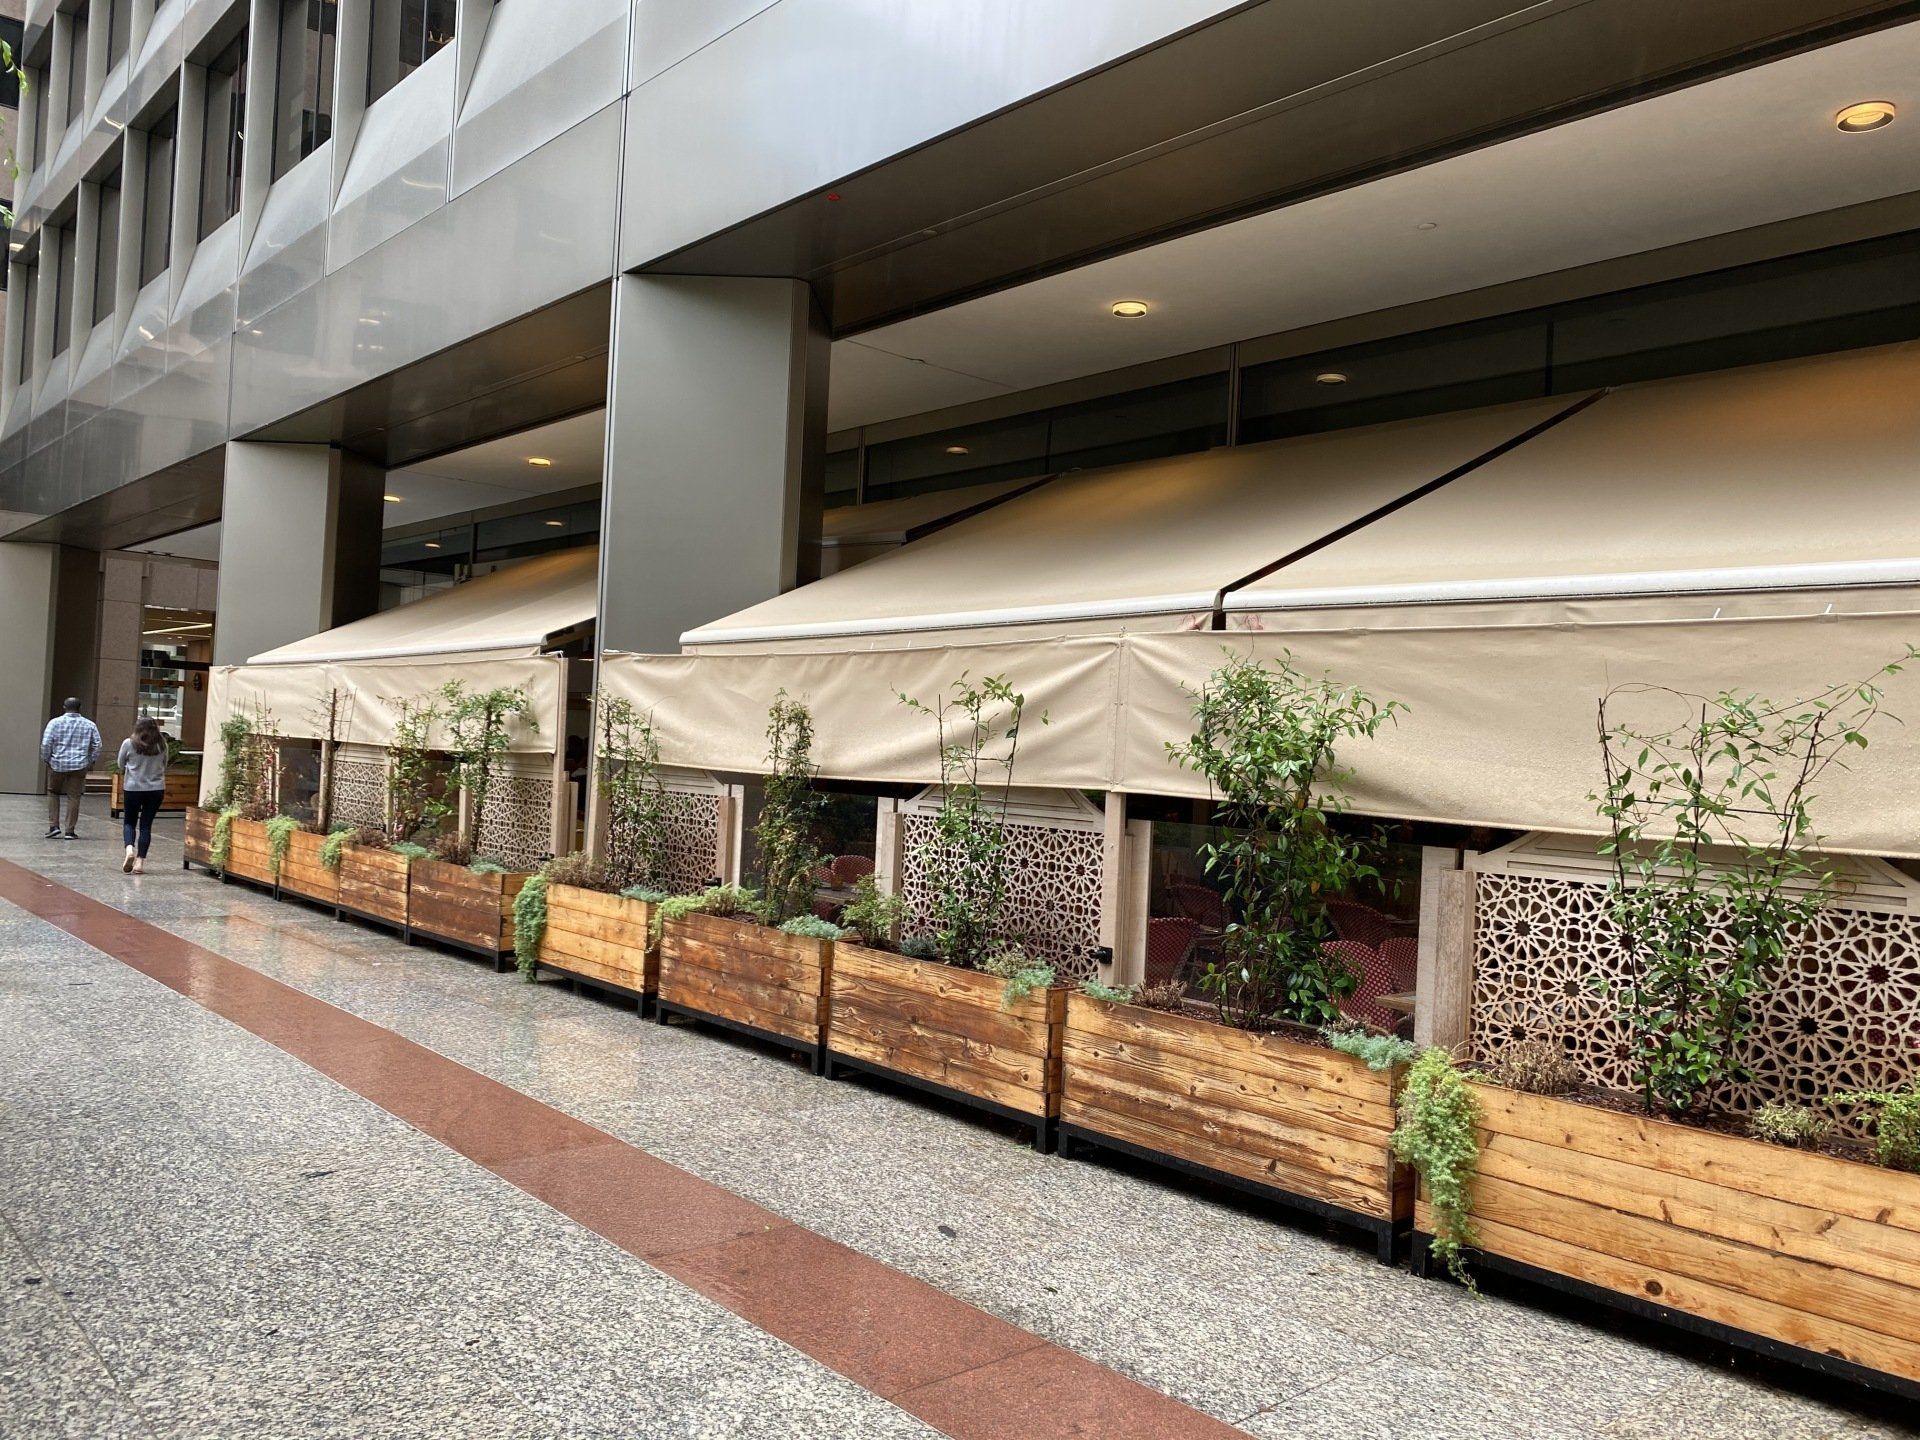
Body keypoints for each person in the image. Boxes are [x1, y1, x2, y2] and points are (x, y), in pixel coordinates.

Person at [41, 698, 102, 840]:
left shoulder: (54, 723)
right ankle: (69, 831)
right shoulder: (90, 725)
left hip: (57, 764)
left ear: (64, 707)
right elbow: (97, 745)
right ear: (80, 708)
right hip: (79, 765)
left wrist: (47, 759)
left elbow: (46, 744)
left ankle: (53, 826)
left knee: (53, 792)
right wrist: (90, 761)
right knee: (74, 796)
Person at [117, 718, 170, 874]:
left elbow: (120, 764)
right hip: (156, 789)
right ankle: (140, 862)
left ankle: (129, 851)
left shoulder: (128, 743)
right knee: (146, 825)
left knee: (129, 822)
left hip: (133, 788)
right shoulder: (162, 745)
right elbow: (164, 765)